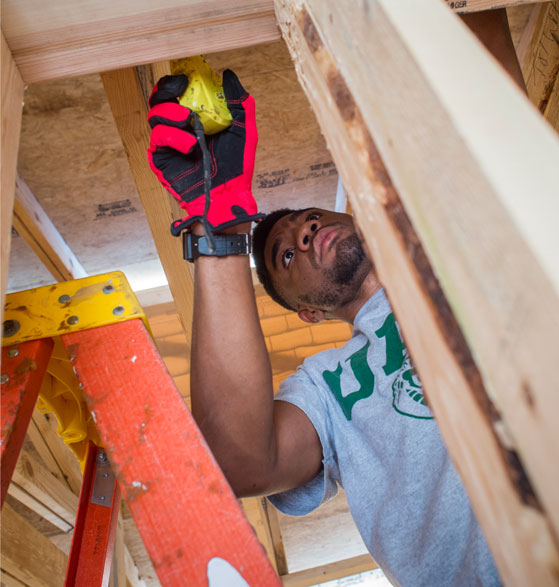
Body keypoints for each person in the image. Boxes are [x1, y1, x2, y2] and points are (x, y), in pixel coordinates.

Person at [147, 10, 523, 585]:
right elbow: (241, 462)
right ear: (309, 313)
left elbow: (491, 76)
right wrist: (215, 226)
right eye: (286, 257)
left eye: (309, 218)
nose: (302, 231)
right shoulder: (327, 385)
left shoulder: (458, 247)